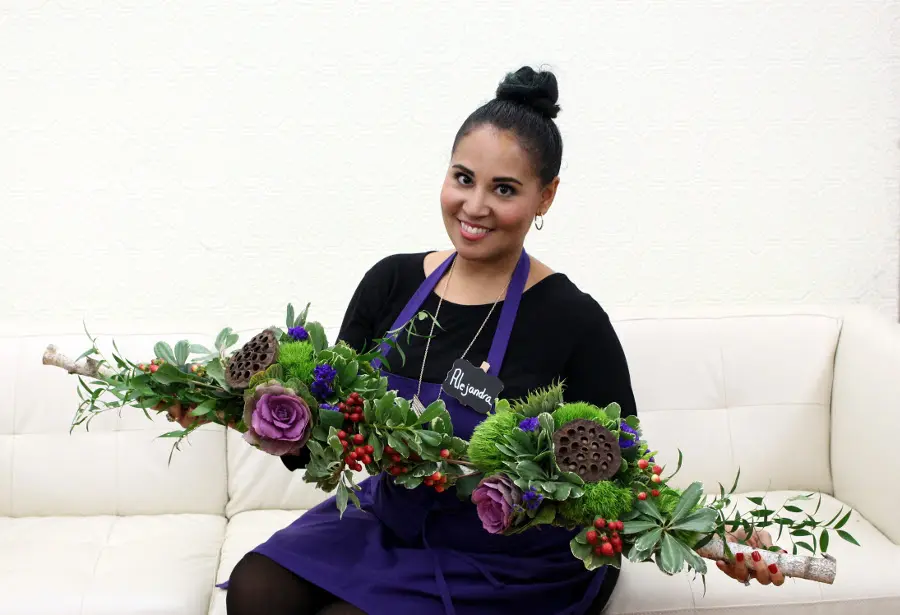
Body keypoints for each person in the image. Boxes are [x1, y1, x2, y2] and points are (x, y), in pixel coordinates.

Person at [168, 66, 784, 615]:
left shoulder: (573, 319)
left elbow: (619, 467)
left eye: (505, 189)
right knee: (256, 589)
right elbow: (331, 432)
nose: (476, 206)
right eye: (463, 178)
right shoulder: (392, 282)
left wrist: (697, 533)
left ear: (546, 196)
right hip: (393, 519)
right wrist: (262, 419)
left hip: (510, 552)